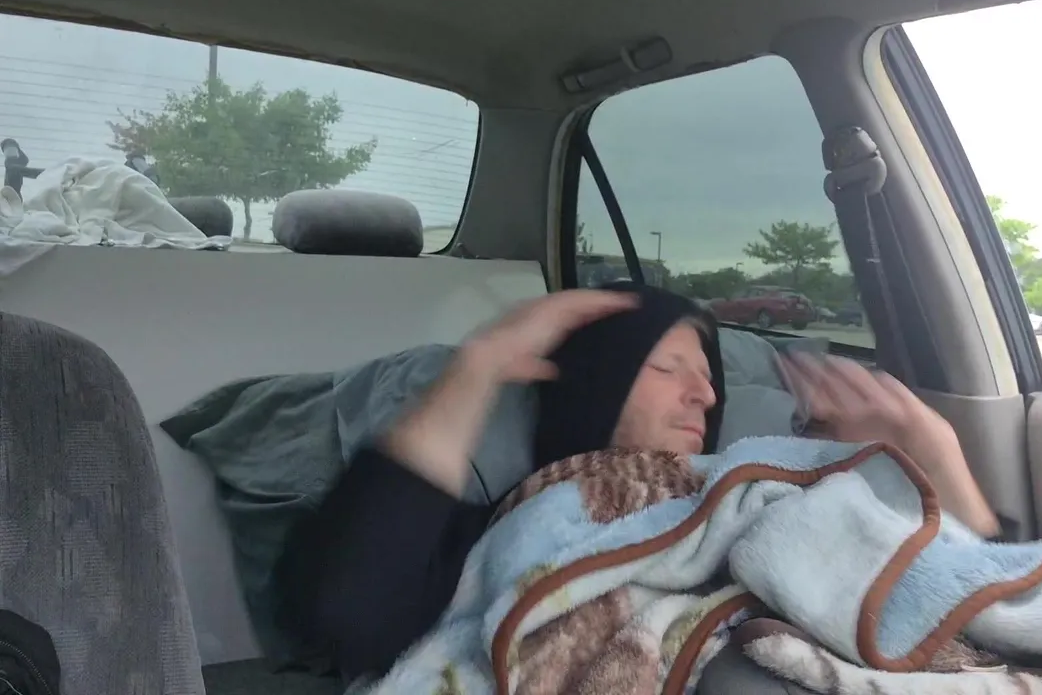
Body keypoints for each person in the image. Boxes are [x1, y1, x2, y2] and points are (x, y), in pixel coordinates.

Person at [274, 283, 998, 681]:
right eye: (667, 369)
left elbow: (976, 607)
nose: (704, 395)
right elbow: (348, 608)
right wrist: (480, 366)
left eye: (707, 377)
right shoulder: (515, 526)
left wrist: (936, 460)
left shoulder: (752, 493)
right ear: (596, 382)